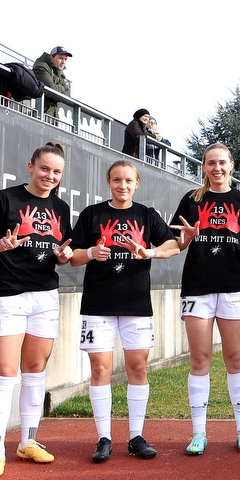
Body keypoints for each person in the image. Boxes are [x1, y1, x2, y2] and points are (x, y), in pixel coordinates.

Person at [0, 142, 74, 477]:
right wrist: (0, 245)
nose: (50, 176)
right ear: (31, 166)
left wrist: (64, 256)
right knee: (3, 373)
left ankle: (28, 442)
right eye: (45, 169)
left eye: (57, 172)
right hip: (8, 294)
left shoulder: (61, 207)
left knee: (35, 371)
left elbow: (63, 248)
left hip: (45, 297)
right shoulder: (6, 198)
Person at [70, 160, 180, 462]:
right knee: (100, 370)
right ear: (109, 182)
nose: (123, 185)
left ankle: (135, 437)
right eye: (117, 180)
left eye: (128, 180)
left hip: (136, 306)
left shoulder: (146, 215)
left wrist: (150, 252)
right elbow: (72, 257)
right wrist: (91, 252)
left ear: (137, 183)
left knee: (138, 369)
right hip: (98, 305)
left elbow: (173, 245)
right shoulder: (93, 214)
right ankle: (103, 438)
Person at [170, 142, 240, 455]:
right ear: (204, 166)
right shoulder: (191, 200)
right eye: (211, 163)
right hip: (197, 288)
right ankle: (199, 433)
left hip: (233, 288)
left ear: (231, 165)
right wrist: (186, 237)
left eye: (222, 162)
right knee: (200, 360)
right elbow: (177, 244)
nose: (217, 168)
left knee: (235, 360)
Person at [32, 46, 72, 120]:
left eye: (65, 59)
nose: (63, 62)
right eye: (60, 58)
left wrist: (58, 90)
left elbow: (68, 95)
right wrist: (62, 88)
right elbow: (49, 89)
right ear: (51, 57)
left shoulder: (59, 71)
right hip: (38, 116)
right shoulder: (41, 66)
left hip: (51, 117)